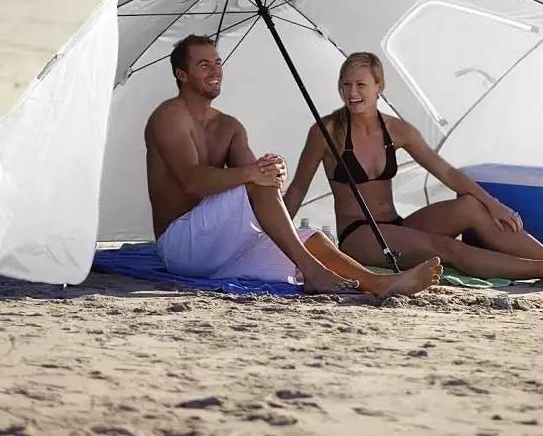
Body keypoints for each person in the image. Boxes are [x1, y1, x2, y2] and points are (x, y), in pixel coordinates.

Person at [144, 35, 443, 298]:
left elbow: (256, 182)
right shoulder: (169, 117)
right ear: (181, 74)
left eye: (217, 62)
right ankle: (313, 273)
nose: (215, 70)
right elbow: (192, 181)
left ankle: (378, 283)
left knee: (312, 238)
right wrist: (255, 175)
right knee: (257, 181)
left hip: (222, 247)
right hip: (181, 246)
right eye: (203, 65)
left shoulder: (229, 127)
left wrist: (275, 171)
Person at [284, 51, 543, 285]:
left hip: (397, 226)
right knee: (443, 248)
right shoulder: (326, 132)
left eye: (360, 84)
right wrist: (274, 235)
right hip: (360, 236)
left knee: (470, 206)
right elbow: (298, 188)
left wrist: (493, 204)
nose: (352, 92)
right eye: (346, 84)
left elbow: (446, 172)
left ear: (379, 86)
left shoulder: (397, 130)